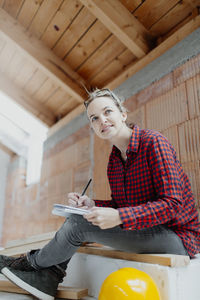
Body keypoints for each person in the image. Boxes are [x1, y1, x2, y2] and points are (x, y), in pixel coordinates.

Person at [0, 88, 199, 300]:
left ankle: (29, 264)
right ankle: (48, 275)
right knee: (79, 217)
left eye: (107, 112)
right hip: (147, 229)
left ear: (122, 114)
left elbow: (173, 203)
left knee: (77, 226)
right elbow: (121, 204)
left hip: (178, 237)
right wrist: (92, 204)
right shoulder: (114, 161)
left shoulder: (153, 142)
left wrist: (121, 217)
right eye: (94, 118)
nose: (102, 120)